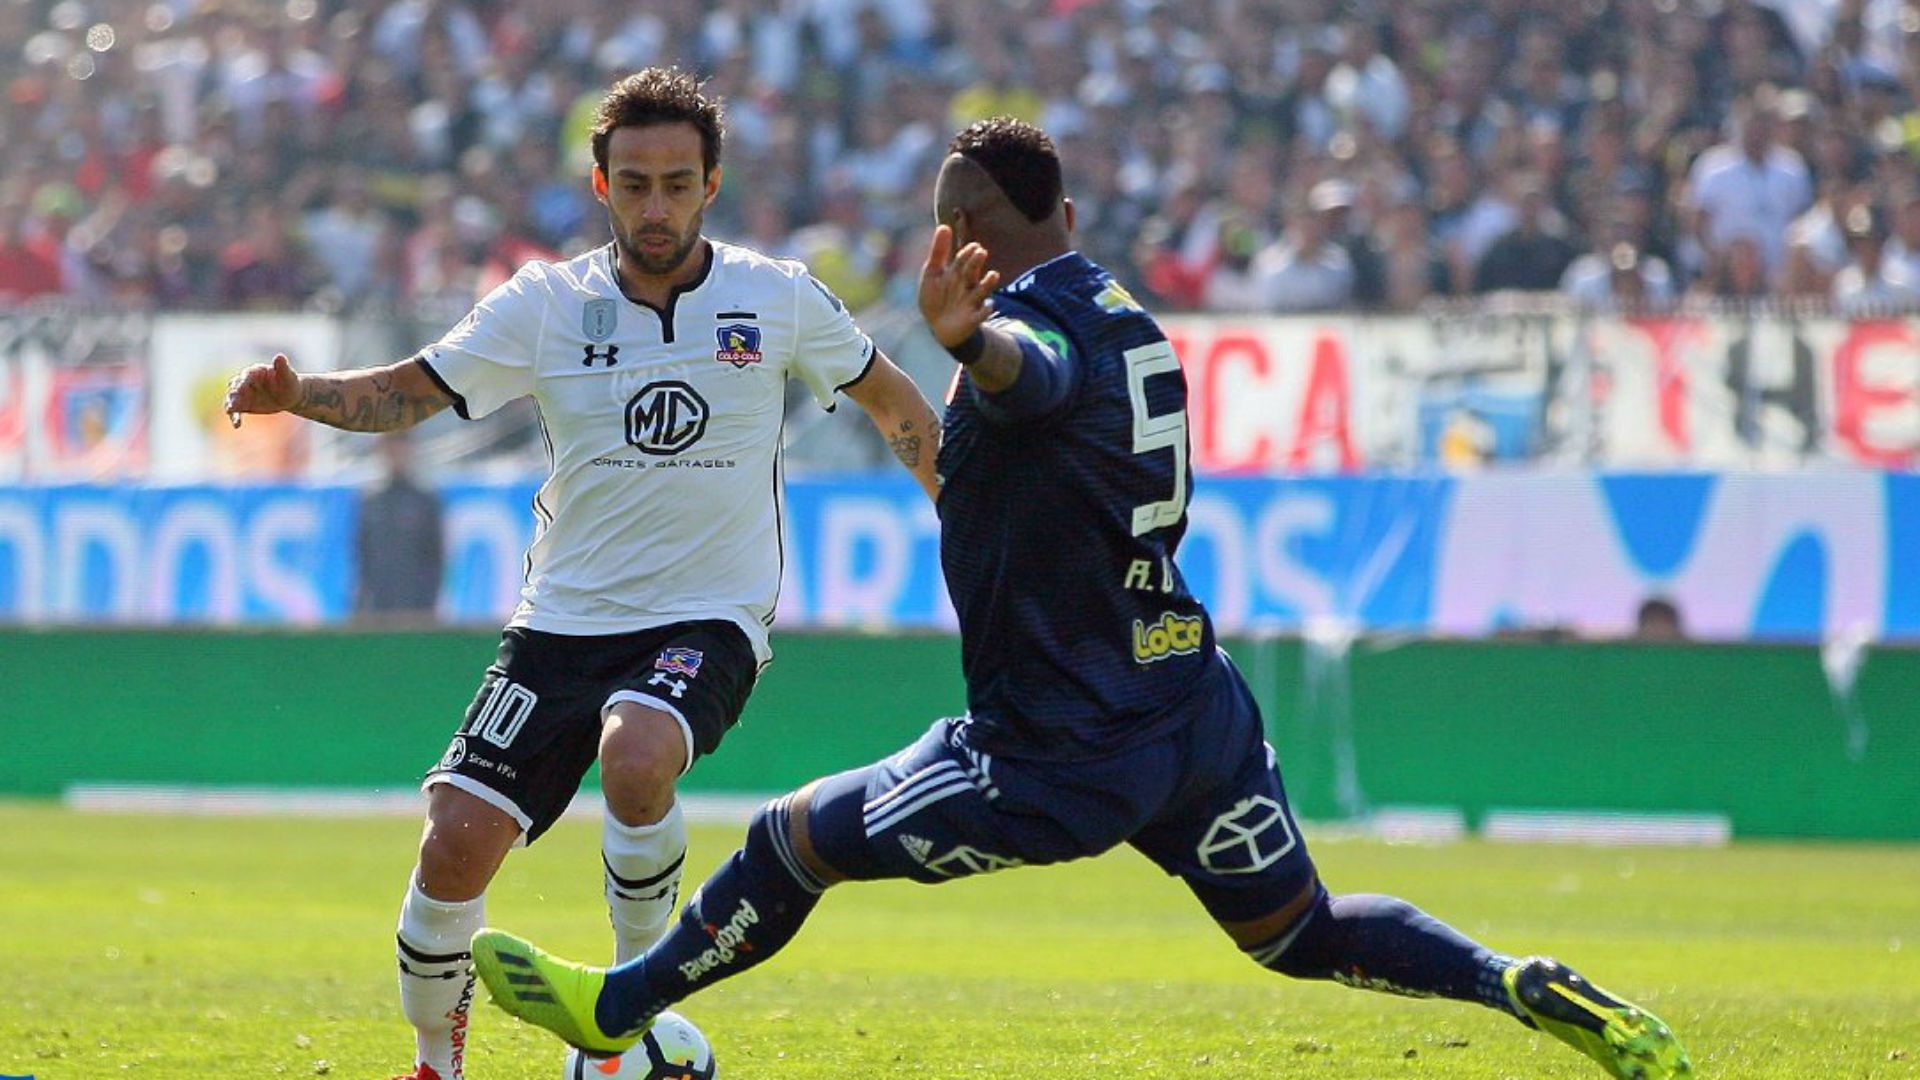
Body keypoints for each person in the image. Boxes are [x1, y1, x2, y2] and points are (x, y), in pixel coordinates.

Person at [470, 118, 1693, 1079]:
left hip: (1055, 745)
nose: (940, 244)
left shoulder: (1025, 327)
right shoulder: (1131, 316)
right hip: (1189, 708)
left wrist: (969, 346)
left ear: (973, 228)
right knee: (1300, 932)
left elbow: (1029, 382)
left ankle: (617, 1010)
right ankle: (1515, 981)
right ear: (1073, 210)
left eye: (950, 225)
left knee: (793, 843)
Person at [223, 68, 942, 1080]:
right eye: (636, 182)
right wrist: (302, 395)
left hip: (708, 616)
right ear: (600, 186)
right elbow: (407, 394)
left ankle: (622, 1024)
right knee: (452, 846)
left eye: (677, 183)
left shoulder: (775, 299)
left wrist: (971, 513)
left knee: (638, 753)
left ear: (712, 185)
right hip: (561, 622)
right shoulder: (545, 306)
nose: (657, 205)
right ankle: (437, 1065)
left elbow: (896, 404)